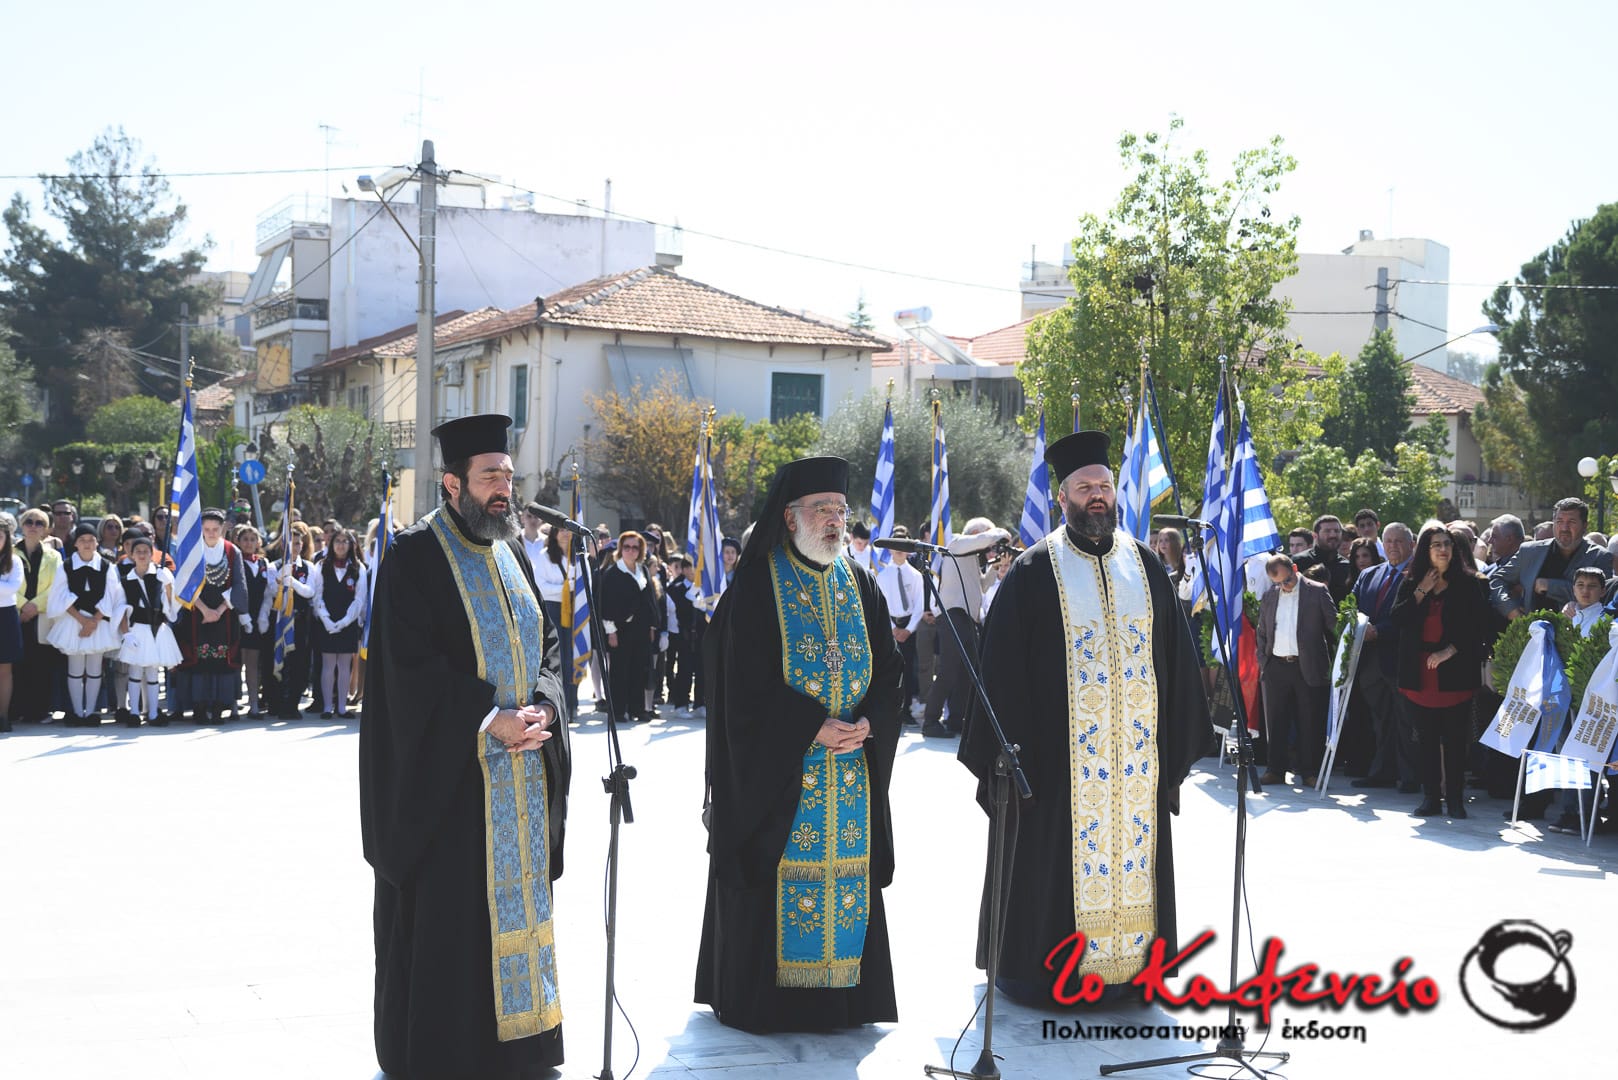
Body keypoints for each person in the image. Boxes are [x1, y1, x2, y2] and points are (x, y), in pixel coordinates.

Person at [959, 430, 1208, 1004]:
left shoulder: (1146, 566)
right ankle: (1045, 974)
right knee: (1050, 869)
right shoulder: (1033, 570)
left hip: (1136, 769)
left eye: (1104, 486)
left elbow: (1175, 661)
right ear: (1062, 496)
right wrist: (1014, 764)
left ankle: (1133, 973)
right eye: (1084, 487)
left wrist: (1171, 750)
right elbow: (999, 675)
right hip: (1056, 771)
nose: (1097, 495)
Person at [360, 413, 571, 1078]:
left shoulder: (512, 553)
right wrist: (488, 718)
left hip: (522, 776)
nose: (504, 488)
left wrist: (545, 704)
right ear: (453, 484)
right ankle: (450, 1052)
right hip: (451, 785)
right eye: (490, 477)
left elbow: (548, 645)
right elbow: (406, 671)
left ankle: (522, 1048)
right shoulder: (416, 556)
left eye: (508, 475)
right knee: (455, 919)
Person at [695, 455, 904, 1033]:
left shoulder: (860, 582)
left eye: (840, 510)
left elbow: (890, 671)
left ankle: (843, 1000)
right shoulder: (758, 584)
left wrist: (870, 723)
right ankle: (774, 1003)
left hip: (851, 773)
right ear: (790, 518)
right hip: (780, 779)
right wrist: (810, 726)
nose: (835, 520)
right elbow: (738, 683)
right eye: (822, 509)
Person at [1392, 522, 1489, 819]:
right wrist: (1422, 590)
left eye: (1447, 544)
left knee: (1456, 742)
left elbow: (1479, 627)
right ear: (1426, 550)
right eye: (1436, 544)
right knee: (1427, 742)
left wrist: (1450, 650)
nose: (1443, 549)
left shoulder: (1470, 583)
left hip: (1455, 672)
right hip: (1419, 674)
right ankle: (1431, 798)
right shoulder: (1412, 582)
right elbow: (1398, 619)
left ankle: (1455, 800)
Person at [921, 517, 1012, 739]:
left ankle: (956, 720)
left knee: (968, 674)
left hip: (969, 619)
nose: (991, 546)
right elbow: (983, 539)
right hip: (953, 615)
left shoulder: (970, 556)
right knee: (948, 670)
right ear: (976, 533)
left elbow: (982, 585)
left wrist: (996, 566)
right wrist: (1000, 533)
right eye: (987, 537)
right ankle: (930, 721)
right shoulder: (956, 542)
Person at [1255, 553, 1337, 786]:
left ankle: (1310, 772)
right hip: (1276, 665)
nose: (1284, 586)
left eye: (1287, 580)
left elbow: (1333, 626)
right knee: (1276, 721)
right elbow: (1262, 631)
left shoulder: (1317, 591)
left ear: (1294, 568)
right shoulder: (1270, 595)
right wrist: (1264, 661)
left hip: (1307, 666)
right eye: (1278, 583)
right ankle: (1275, 770)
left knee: (1309, 720)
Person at [1350, 523, 1420, 792]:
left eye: (1398, 541)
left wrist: (1380, 631)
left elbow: (1413, 616)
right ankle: (1382, 772)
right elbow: (1352, 607)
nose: (1392, 546)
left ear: (1411, 544)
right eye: (1388, 541)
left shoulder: (1420, 575)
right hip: (1371, 662)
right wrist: (1360, 627)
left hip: (1402, 659)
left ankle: (1410, 776)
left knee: (1406, 720)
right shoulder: (1369, 574)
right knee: (1380, 720)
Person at [174, 509, 250, 724]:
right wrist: (204, 609)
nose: (211, 533)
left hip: (224, 616)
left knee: (221, 661)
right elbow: (183, 582)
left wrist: (219, 610)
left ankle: (218, 708)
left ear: (223, 528)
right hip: (196, 615)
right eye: (206, 529)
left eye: (215, 529)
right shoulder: (191, 550)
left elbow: (239, 584)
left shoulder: (232, 551)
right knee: (198, 662)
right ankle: (198, 708)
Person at [46, 524, 125, 726]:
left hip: (98, 622)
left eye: (91, 540)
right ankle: (76, 712)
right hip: (74, 622)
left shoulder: (107, 566)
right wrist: (82, 621)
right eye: (82, 540)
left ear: (97, 543)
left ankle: (90, 712)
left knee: (94, 668)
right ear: (75, 544)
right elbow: (60, 595)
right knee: (75, 667)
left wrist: (94, 621)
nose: (87, 544)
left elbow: (112, 595)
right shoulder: (66, 566)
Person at [1490, 497, 1613, 619]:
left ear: (1585, 525)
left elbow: (1602, 596)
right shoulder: (1530, 552)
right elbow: (1497, 580)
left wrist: (1550, 586)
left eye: (1571, 522)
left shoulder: (1599, 556)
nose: (1564, 528)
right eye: (1559, 521)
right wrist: (1510, 609)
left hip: (1579, 630)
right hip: (1531, 629)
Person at [116, 533, 181, 727]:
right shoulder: (125, 580)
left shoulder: (160, 576)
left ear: (152, 554)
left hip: (157, 629)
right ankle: (134, 712)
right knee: (135, 672)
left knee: (153, 673)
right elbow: (120, 609)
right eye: (138, 551)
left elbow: (171, 607)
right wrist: (126, 634)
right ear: (132, 555)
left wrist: (168, 585)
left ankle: (153, 713)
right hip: (137, 629)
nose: (142, 555)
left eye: (146, 551)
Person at [597, 530, 658, 724]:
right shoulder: (612, 573)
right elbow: (605, 604)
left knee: (639, 669)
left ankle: (637, 709)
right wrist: (611, 631)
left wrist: (652, 626)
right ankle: (618, 711)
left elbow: (649, 599)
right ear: (620, 549)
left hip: (641, 628)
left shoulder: (643, 570)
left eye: (635, 547)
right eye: (627, 547)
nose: (631, 551)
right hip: (620, 629)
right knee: (619, 671)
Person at [12, 508, 63, 725]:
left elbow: (58, 586)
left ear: (46, 529)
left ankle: (40, 711)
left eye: (39, 523)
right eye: (29, 522)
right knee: (16, 665)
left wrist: (34, 606)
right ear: (22, 526)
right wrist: (23, 605)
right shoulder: (8, 553)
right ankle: (16, 710)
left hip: (42, 617)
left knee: (42, 665)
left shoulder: (54, 556)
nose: (33, 526)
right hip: (15, 616)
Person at [311, 529, 367, 720]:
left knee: (344, 665)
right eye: (337, 541)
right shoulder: (321, 566)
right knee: (328, 664)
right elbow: (317, 595)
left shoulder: (358, 568)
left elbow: (359, 599)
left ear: (351, 545)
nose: (341, 545)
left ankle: (341, 707)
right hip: (326, 622)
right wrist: (327, 620)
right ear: (331, 544)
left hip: (347, 622)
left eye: (345, 541)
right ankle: (327, 707)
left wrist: (344, 622)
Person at [264, 522, 318, 720]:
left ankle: (292, 704)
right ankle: (276, 702)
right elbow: (271, 590)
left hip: (300, 621)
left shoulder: (309, 567)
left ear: (302, 545)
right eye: (290, 543)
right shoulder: (274, 566)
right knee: (278, 660)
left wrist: (291, 581)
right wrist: (282, 575)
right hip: (279, 619)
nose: (294, 547)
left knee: (298, 663)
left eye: (297, 543)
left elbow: (309, 591)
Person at [874, 525, 924, 724]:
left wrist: (908, 630)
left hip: (909, 627)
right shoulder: (882, 576)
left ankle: (906, 711)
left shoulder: (916, 575)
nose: (899, 550)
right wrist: (892, 629)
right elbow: (880, 605)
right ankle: (890, 711)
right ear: (890, 549)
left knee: (909, 670)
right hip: (891, 627)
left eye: (903, 545)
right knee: (890, 670)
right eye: (896, 545)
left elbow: (919, 605)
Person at [534, 523, 577, 720]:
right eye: (561, 530)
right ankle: (559, 705)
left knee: (573, 658)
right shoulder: (544, 556)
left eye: (568, 530)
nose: (565, 534)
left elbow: (584, 584)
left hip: (575, 610)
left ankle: (572, 704)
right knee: (558, 657)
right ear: (554, 534)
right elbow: (541, 586)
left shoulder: (578, 557)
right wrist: (566, 589)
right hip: (553, 610)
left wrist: (569, 589)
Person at [0, 514, 20, 732]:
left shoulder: (14, 561)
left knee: (5, 669)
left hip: (5, 616)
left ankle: (3, 716)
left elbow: (13, 588)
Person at [1562, 566, 1608, 635]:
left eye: (1592, 586)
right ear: (1574, 590)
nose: (1585, 590)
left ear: (1602, 591)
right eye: (1580, 585)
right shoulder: (1566, 614)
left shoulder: (1606, 621)